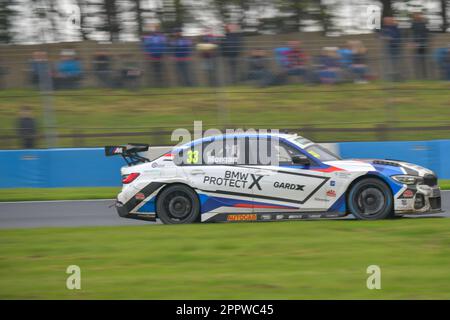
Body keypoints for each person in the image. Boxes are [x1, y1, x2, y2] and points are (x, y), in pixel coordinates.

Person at [381, 17, 403, 81]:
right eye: (387, 21)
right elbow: (381, 36)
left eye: (390, 20)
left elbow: (398, 36)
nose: (389, 22)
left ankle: (397, 77)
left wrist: (391, 38)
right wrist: (386, 38)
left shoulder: (395, 28)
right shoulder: (385, 28)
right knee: (391, 63)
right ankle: (392, 78)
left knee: (397, 63)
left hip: (396, 47)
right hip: (389, 48)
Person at [410, 12, 430, 79]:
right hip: (417, 43)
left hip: (423, 43)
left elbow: (426, 32)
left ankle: (424, 76)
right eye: (416, 15)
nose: (418, 16)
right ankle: (418, 76)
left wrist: (426, 41)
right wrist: (413, 42)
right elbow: (412, 33)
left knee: (423, 60)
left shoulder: (423, 23)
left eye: (418, 15)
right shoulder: (413, 24)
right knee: (417, 60)